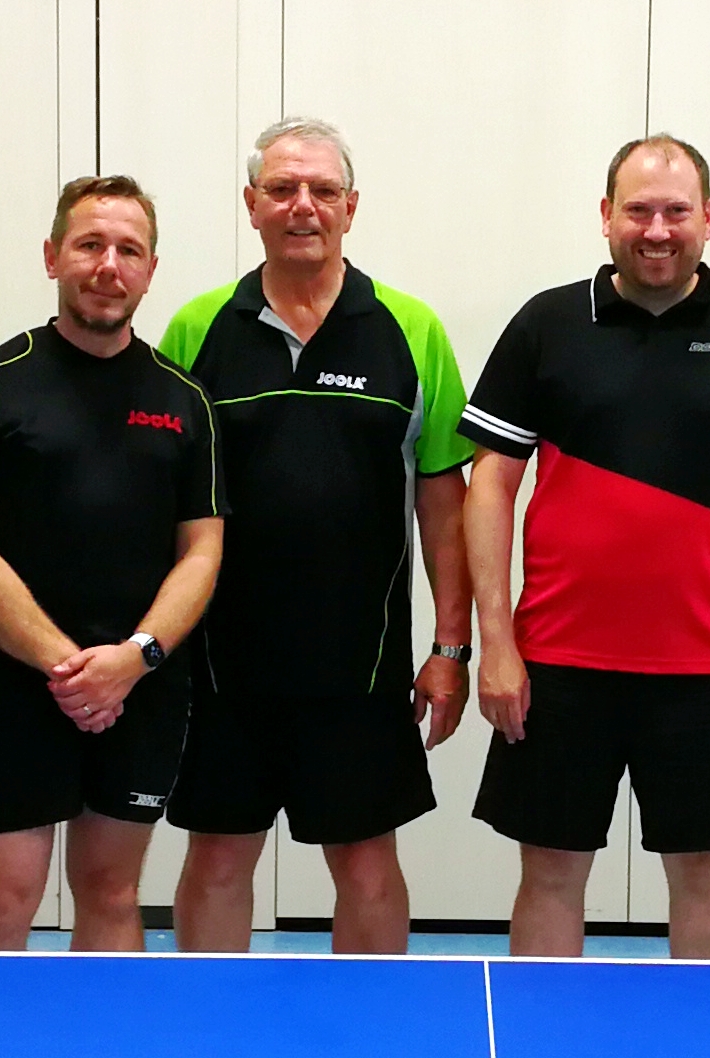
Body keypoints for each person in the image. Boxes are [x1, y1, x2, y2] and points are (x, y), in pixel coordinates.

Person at [460, 134, 710, 960]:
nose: (658, 230)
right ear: (606, 216)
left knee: (709, 883)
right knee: (550, 875)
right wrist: (495, 641)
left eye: (677, 211)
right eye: (638, 211)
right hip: (558, 664)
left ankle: (700, 1031)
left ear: (709, 218)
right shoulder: (547, 323)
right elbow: (489, 483)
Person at [160, 117, 475, 955]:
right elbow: (164, 499)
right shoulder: (196, 329)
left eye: (323, 190)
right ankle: (214, 1021)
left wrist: (451, 647)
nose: (303, 205)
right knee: (217, 861)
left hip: (361, 668)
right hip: (221, 665)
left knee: (367, 867)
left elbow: (444, 503)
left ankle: (369, 1021)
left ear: (350, 207)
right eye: (283, 189)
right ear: (252, 204)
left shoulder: (412, 329)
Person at [0, 175, 224, 952]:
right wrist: (69, 669)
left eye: (129, 250)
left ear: (151, 270)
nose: (108, 266)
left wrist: (133, 659)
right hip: (16, 685)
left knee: (112, 894)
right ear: (53, 256)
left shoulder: (184, 399)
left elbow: (203, 550)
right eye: (90, 245)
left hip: (141, 687)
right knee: (4, 900)